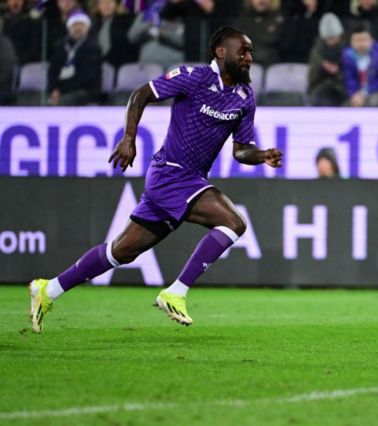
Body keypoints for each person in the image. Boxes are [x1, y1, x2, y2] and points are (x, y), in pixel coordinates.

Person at [29, 26, 283, 332]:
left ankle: (48, 289)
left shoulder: (245, 96)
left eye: (251, 51)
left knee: (121, 251)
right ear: (221, 51)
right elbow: (141, 94)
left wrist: (262, 155)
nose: (249, 57)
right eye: (243, 51)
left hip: (186, 180)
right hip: (171, 173)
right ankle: (176, 292)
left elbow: (241, 151)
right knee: (234, 223)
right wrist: (128, 138)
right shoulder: (194, 76)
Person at [47, 10, 102, 106]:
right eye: (75, 25)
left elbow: (87, 77)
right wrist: (53, 89)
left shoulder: (93, 48)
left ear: (87, 28)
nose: (78, 28)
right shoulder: (60, 47)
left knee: (63, 101)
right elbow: (52, 71)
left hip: (86, 90)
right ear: (69, 27)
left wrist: (60, 89)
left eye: (81, 24)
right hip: (62, 91)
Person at [342, 23, 378, 107]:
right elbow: (350, 79)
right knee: (347, 105)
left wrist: (365, 92)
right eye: (357, 40)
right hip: (359, 93)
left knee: (371, 102)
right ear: (351, 42)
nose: (360, 44)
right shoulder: (347, 56)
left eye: (363, 40)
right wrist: (354, 94)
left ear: (371, 40)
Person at [308, 12, 345, 106]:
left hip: (340, 87)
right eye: (329, 38)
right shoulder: (317, 52)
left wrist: (337, 72)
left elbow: (349, 74)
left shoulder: (345, 50)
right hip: (319, 87)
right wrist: (322, 66)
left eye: (334, 37)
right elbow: (312, 78)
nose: (332, 41)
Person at [232, 0, 284, 67]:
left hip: (273, 66)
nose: (261, 1)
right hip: (246, 65)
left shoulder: (281, 18)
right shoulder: (242, 18)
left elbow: (279, 43)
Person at [91, 0, 138, 69]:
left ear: (116, 5)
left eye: (110, 1)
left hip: (121, 66)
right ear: (97, 6)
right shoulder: (93, 26)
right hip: (98, 66)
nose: (106, 5)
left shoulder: (125, 21)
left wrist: (124, 14)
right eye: (102, 2)